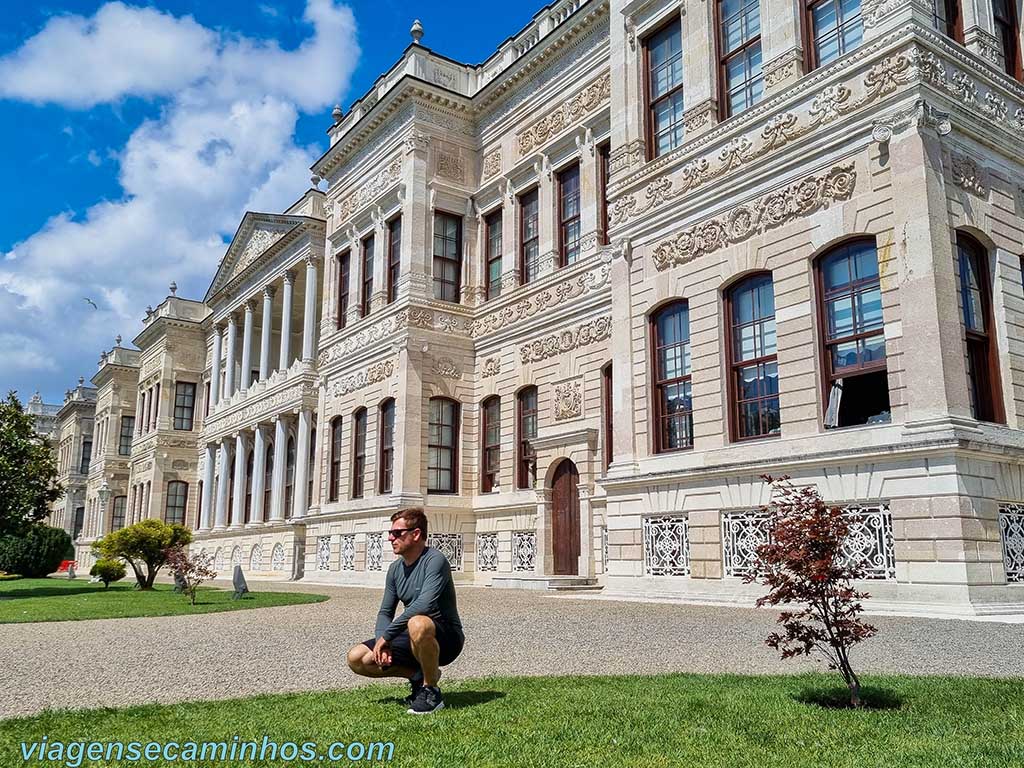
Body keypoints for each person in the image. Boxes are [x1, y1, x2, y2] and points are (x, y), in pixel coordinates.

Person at [346, 508, 464, 714]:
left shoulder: (435, 560)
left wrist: (388, 636)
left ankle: (431, 691)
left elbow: (425, 605)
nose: (391, 538)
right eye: (390, 534)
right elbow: (385, 612)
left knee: (418, 621)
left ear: (416, 534)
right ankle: (419, 677)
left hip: (446, 638)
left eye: (397, 533)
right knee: (357, 658)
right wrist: (383, 642)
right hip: (413, 636)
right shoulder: (395, 569)